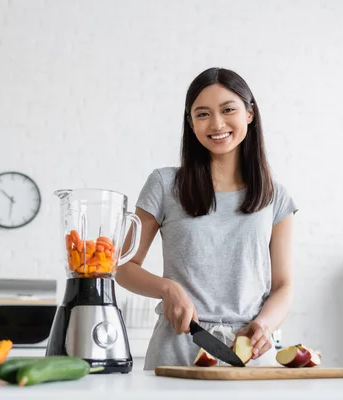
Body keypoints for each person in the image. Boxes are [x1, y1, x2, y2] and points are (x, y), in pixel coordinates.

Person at [115, 67, 298, 370]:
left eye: (228, 110)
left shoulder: (275, 197)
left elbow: (284, 286)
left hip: (250, 354)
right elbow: (122, 267)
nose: (217, 124)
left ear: (249, 114)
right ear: (190, 123)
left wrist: (264, 325)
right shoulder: (163, 185)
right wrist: (167, 289)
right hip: (178, 350)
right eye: (202, 114)